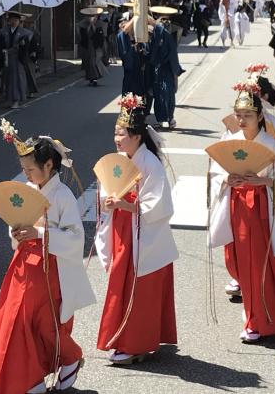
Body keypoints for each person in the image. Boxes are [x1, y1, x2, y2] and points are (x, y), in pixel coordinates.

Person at [0, 128, 96, 393]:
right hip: (24, 262)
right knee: (15, 318)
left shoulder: (62, 196)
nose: (26, 175)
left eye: (30, 169)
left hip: (51, 268)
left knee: (42, 324)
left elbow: (75, 237)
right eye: (23, 169)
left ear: (49, 165)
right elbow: (17, 220)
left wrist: (40, 233)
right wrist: (16, 231)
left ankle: (66, 360)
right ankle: (30, 378)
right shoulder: (27, 190)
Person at [209, 85, 275, 343]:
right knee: (243, 266)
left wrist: (264, 182)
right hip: (236, 205)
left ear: (260, 117)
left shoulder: (270, 144)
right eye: (238, 114)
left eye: (248, 115)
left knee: (258, 266)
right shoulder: (229, 140)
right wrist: (226, 179)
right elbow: (215, 171)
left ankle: (256, 321)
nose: (242, 120)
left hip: (262, 210)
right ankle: (258, 316)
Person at [95, 94, 178, 364]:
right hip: (123, 229)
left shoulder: (150, 164)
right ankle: (120, 337)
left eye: (123, 134)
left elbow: (159, 205)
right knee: (120, 284)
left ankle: (137, 343)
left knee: (140, 288)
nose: (118, 139)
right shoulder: (119, 160)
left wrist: (127, 204)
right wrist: (109, 201)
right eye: (115, 133)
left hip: (143, 234)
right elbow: (107, 187)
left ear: (138, 137)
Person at [149, 12, 185, 129]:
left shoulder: (170, 33)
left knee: (168, 95)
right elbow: (153, 49)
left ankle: (170, 119)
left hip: (166, 69)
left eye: (166, 21)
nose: (165, 23)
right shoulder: (157, 33)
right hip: (158, 70)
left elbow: (171, 53)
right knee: (159, 95)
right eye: (162, 20)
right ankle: (160, 119)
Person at [117, 16, 153, 111]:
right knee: (128, 97)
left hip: (139, 73)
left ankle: (138, 120)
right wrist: (136, 16)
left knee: (140, 97)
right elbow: (125, 30)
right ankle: (126, 120)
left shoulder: (136, 39)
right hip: (130, 73)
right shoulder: (122, 36)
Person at [0, 10, 33, 109]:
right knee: (7, 79)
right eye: (12, 20)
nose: (14, 22)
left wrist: (21, 46)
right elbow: (0, 44)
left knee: (16, 79)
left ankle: (16, 100)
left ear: (19, 21)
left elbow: (25, 48)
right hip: (6, 58)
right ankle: (9, 99)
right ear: (9, 20)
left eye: (16, 20)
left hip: (17, 59)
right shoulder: (4, 31)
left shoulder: (23, 33)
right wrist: (4, 51)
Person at [78, 7, 108, 86]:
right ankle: (91, 79)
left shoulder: (100, 24)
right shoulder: (83, 25)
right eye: (89, 16)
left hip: (96, 46)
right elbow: (83, 36)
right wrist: (89, 26)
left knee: (94, 62)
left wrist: (93, 26)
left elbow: (101, 36)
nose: (92, 18)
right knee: (88, 62)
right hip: (87, 46)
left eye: (94, 16)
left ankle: (95, 78)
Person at [23, 17, 41, 97]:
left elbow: (36, 43)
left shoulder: (34, 32)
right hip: (22, 54)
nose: (30, 24)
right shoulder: (22, 31)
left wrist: (34, 53)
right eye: (27, 23)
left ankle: (31, 91)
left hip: (30, 54)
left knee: (30, 74)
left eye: (31, 23)